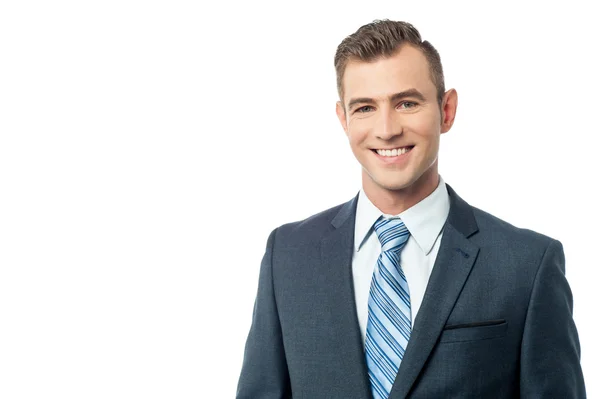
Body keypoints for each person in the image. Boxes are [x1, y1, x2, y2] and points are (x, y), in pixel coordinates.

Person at [236, 19, 586, 398]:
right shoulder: (288, 256)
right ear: (344, 119)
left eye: (406, 103)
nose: (386, 129)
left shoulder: (526, 265)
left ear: (446, 110)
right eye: (366, 107)